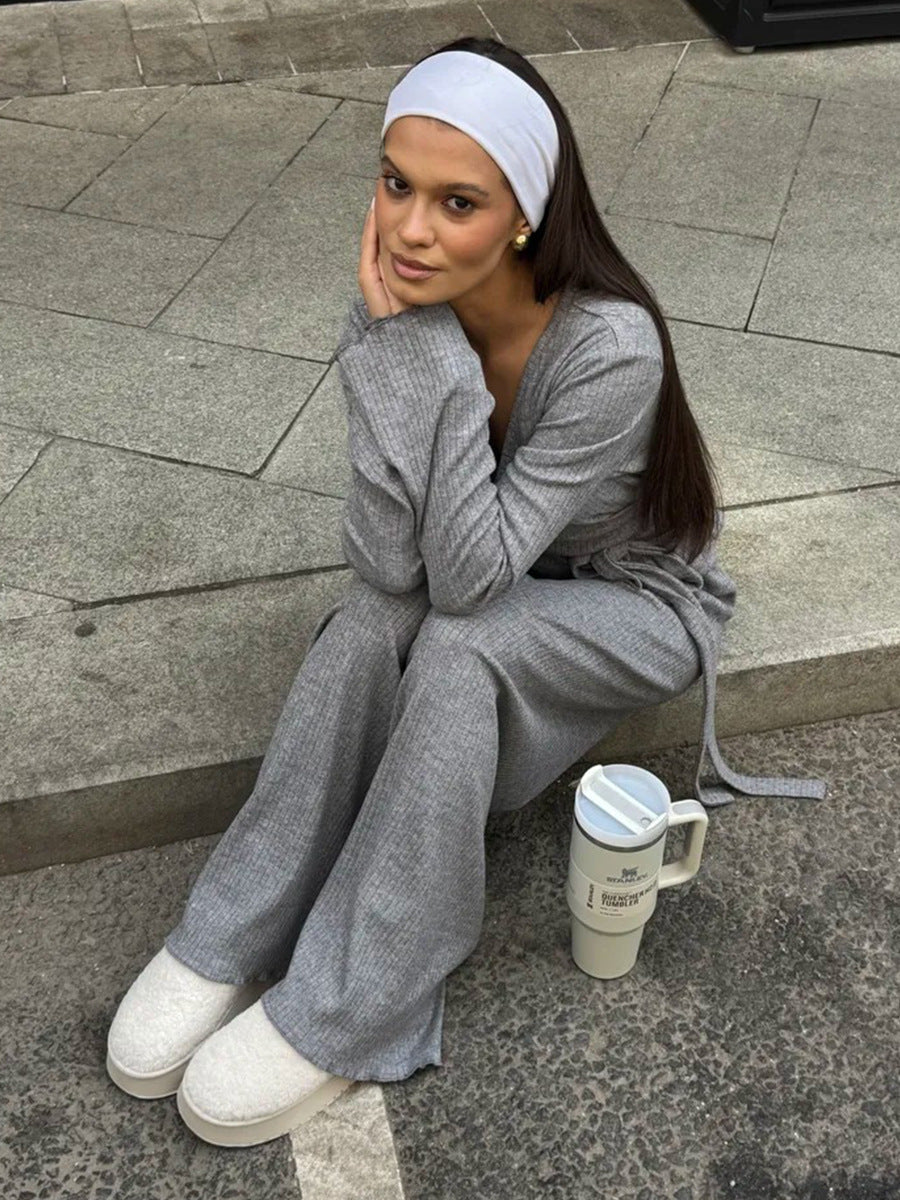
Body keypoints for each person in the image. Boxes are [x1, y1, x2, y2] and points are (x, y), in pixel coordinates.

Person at [105, 37, 827, 1148]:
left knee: (460, 646)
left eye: (457, 203)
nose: (408, 229)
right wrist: (400, 350)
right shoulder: (396, 306)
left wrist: (425, 363)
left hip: (638, 602)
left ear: (525, 217)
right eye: (396, 184)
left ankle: (362, 995)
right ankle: (234, 924)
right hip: (495, 573)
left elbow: (472, 583)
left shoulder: (607, 346)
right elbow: (391, 569)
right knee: (366, 625)